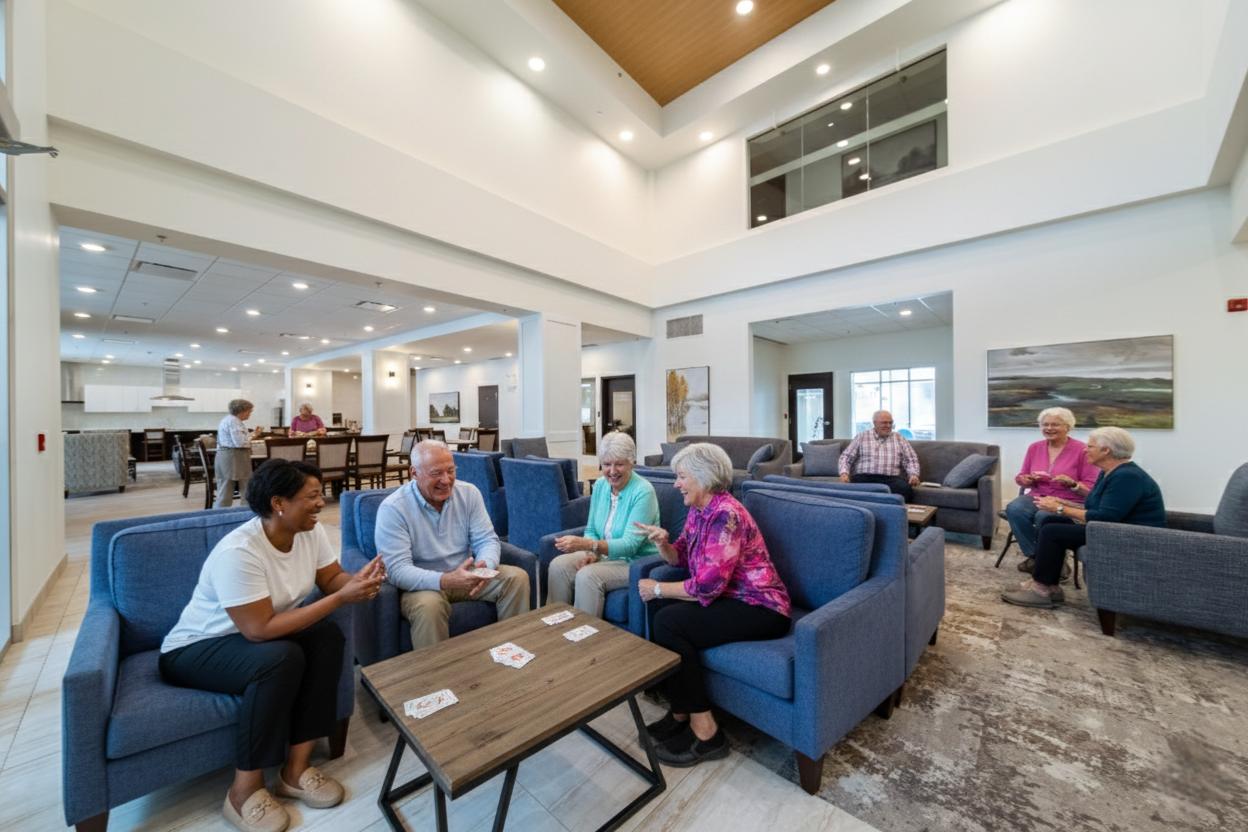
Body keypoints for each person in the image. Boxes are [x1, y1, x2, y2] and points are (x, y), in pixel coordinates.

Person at [160, 459, 386, 832]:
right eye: (312, 496)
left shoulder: (308, 532)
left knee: (328, 638)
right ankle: (243, 791)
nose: (320, 503)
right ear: (279, 503)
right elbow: (260, 630)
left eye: (319, 494)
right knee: (280, 657)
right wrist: (341, 599)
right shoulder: (241, 552)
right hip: (196, 649)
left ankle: (296, 771)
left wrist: (353, 582)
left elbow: (330, 578)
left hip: (254, 636)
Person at [634, 443, 791, 767]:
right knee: (658, 610)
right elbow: (680, 558)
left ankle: (707, 735)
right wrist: (663, 543)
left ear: (703, 478)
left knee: (668, 620)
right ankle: (679, 712)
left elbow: (706, 586)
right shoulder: (699, 510)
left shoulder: (725, 515)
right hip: (729, 599)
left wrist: (659, 588)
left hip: (762, 607)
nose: (676, 484)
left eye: (681, 477)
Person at [375, 440, 530, 648]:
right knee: (429, 606)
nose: (446, 480)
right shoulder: (393, 509)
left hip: (466, 575)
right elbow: (396, 570)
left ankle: (513, 651)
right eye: (436, 473)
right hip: (423, 584)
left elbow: (486, 539)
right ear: (414, 473)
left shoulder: (469, 493)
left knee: (517, 578)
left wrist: (486, 566)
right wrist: (447, 580)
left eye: (450, 471)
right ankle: (436, 676)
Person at [1002, 426, 1166, 609]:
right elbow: (1094, 506)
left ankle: (1040, 588)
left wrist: (1059, 508)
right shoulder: (1109, 473)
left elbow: (1105, 517)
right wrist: (1060, 503)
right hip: (1114, 527)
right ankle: (1052, 587)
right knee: (1050, 521)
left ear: (1106, 451)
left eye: (1091, 446)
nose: (1085, 449)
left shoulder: (1127, 476)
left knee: (1053, 531)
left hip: (1130, 534)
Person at [548, 432, 659, 617]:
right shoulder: (600, 485)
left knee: (587, 576)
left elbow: (630, 546)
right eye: (607, 464)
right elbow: (592, 529)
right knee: (558, 566)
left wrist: (589, 545)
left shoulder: (643, 491)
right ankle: (554, 627)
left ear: (632, 463)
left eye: (619, 464)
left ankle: (583, 638)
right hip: (604, 555)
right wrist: (591, 553)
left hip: (633, 562)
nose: (612, 471)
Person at [1005, 407, 1100, 573]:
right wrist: (1026, 479)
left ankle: (1052, 559)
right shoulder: (1035, 447)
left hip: (1070, 500)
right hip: (1038, 495)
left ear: (1067, 427)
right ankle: (1037, 557)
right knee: (1015, 508)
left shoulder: (1083, 450)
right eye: (1045, 424)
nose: (1049, 428)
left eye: (1055, 424)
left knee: (1045, 515)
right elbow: (1021, 477)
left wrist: (1072, 484)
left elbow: (1091, 488)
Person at [837, 410, 921, 501]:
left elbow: (910, 459)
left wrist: (913, 475)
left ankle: (898, 514)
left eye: (890, 423)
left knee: (905, 489)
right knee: (852, 489)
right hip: (864, 477)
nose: (888, 426)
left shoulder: (899, 438)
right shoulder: (862, 436)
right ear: (874, 422)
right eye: (884, 423)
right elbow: (846, 457)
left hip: (891, 479)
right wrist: (844, 473)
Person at [215, 398, 265, 509]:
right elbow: (240, 443)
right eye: (248, 412)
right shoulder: (235, 421)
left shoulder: (229, 419)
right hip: (234, 457)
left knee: (225, 487)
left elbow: (240, 439)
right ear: (242, 411)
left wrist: (253, 435)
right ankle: (244, 512)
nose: (249, 415)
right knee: (240, 487)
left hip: (227, 455)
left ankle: (220, 514)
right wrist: (251, 441)